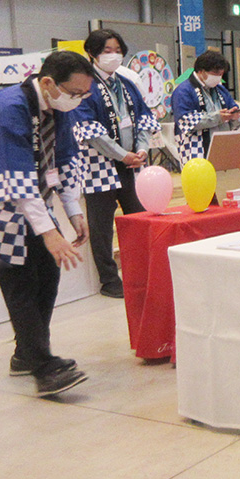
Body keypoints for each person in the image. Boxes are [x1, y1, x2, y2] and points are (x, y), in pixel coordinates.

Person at [0, 51, 92, 396]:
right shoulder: (8, 107)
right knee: (22, 284)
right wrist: (50, 233)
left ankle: (25, 355)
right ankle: (44, 368)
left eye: (84, 94)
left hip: (31, 202)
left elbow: (63, 160)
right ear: (48, 83)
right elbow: (13, 177)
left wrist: (73, 211)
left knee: (48, 275)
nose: (78, 100)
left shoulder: (58, 108)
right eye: (75, 93)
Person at [71, 30, 160, 299]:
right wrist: (122, 154)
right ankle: (109, 279)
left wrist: (141, 149)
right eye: (107, 51)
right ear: (92, 53)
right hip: (99, 166)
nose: (114, 55)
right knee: (101, 226)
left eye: (118, 50)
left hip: (132, 164)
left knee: (139, 218)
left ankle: (142, 271)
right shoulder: (85, 86)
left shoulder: (127, 84)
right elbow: (90, 130)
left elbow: (144, 118)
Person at [171, 50, 240, 164]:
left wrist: (234, 116)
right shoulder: (183, 91)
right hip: (196, 148)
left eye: (221, 74)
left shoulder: (220, 90)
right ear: (201, 71)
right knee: (200, 175)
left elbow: (233, 110)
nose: (218, 77)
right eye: (215, 73)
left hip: (223, 147)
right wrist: (218, 117)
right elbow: (185, 121)